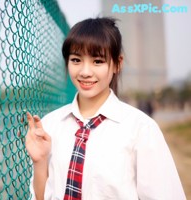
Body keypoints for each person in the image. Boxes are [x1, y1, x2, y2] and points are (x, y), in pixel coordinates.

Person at [25, 17, 186, 200]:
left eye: (98, 61)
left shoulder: (141, 129)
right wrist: (39, 162)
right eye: (76, 60)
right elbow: (41, 197)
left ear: (118, 63)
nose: (85, 72)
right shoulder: (50, 125)